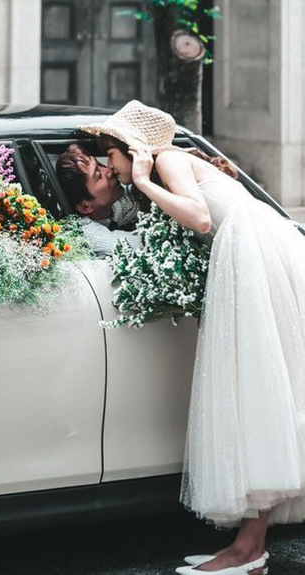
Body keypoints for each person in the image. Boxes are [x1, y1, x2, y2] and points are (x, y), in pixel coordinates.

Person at [81, 99, 305, 575]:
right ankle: (249, 547)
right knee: (254, 394)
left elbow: (201, 219)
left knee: (252, 393)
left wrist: (142, 180)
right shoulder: (171, 164)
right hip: (253, 254)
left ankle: (248, 551)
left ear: (131, 148)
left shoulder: (166, 160)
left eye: (111, 155)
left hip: (252, 259)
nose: (110, 166)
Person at [56, 141, 141, 257]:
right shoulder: (86, 232)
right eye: (98, 176)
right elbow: (139, 247)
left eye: (101, 165)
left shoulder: (117, 205)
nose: (109, 171)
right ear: (85, 207)